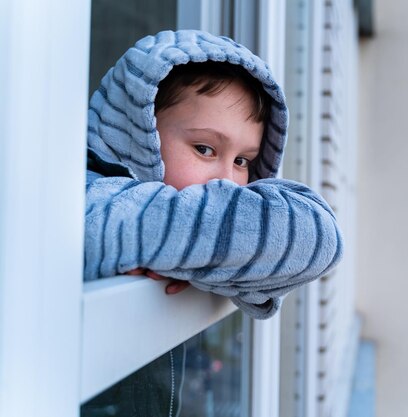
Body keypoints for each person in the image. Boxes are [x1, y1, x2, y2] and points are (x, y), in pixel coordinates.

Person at [81, 29, 343, 415]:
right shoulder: (84, 200)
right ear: (138, 135)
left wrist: (184, 250)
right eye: (205, 148)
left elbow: (318, 237)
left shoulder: (155, 215)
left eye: (243, 161)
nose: (228, 182)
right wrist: (209, 254)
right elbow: (101, 227)